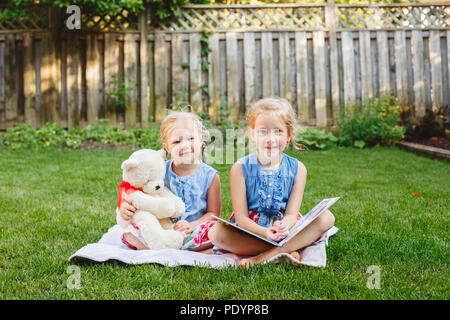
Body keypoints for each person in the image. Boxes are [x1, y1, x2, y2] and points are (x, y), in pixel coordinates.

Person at [208, 97, 335, 267]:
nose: (271, 138)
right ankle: (288, 249)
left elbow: (291, 214)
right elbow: (242, 218)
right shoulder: (239, 168)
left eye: (278, 131)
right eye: (263, 131)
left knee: (327, 218)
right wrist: (265, 232)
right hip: (251, 230)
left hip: (285, 229)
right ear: (252, 133)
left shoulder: (298, 168)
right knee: (216, 233)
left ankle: (263, 257)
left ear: (289, 134)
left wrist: (284, 226)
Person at [119, 111, 221, 253]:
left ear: (201, 140)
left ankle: (161, 249)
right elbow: (133, 191)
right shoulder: (159, 170)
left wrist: (192, 225)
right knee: (133, 230)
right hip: (161, 230)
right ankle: (169, 247)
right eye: (177, 142)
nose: (185, 145)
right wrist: (124, 206)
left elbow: (213, 214)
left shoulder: (210, 176)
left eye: (191, 139)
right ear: (166, 147)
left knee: (217, 232)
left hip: (193, 231)